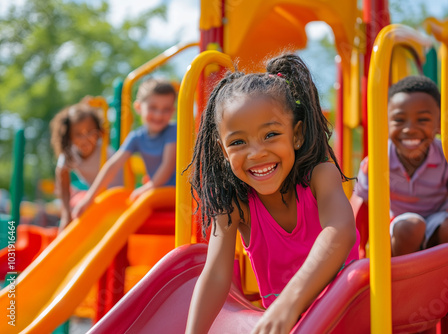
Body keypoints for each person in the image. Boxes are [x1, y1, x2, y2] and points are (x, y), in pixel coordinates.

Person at [185, 54, 359, 334]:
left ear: (297, 134)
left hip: (351, 313)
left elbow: (339, 231)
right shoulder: (235, 206)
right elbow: (216, 275)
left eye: (271, 135)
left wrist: (287, 304)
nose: (257, 153)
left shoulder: (320, 176)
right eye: (238, 142)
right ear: (222, 149)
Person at [353, 75, 448, 256]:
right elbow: (362, 207)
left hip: (436, 221)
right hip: (398, 225)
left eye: (423, 120)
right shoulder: (377, 161)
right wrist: (359, 251)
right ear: (386, 123)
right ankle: (402, 278)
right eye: (399, 120)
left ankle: (447, 278)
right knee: (411, 226)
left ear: (439, 124)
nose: (409, 129)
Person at [72, 78, 177, 218]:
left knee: (135, 201)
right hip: (155, 192)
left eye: (166, 109)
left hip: (176, 192)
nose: (159, 114)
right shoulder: (137, 137)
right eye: (153, 108)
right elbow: (113, 165)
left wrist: (148, 187)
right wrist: (89, 197)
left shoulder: (173, 130)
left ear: (173, 111)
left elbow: (168, 165)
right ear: (139, 107)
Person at [50, 100, 122, 230]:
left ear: (98, 131)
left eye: (90, 131)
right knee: (76, 204)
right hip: (95, 196)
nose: (85, 138)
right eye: (78, 134)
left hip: (117, 196)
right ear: (69, 136)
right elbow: (62, 176)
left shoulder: (105, 152)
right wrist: (66, 214)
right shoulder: (69, 153)